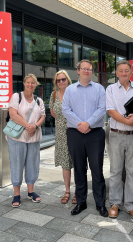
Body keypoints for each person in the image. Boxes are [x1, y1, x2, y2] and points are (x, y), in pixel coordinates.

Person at [62, 59, 108, 217]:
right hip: (75, 134)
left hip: (95, 133)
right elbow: (65, 110)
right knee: (79, 170)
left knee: (97, 170)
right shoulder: (69, 89)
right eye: (84, 69)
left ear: (92, 71)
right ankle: (81, 202)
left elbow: (102, 109)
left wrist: (87, 123)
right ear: (78, 71)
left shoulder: (99, 88)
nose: (87, 71)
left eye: (89, 69)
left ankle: (100, 203)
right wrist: (80, 125)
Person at [106, 60, 133, 219]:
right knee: (115, 171)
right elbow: (111, 111)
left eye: (126, 71)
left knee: (132, 172)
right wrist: (129, 122)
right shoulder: (110, 89)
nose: (124, 73)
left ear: (131, 73)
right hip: (116, 134)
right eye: (120, 71)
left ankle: (131, 205)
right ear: (116, 73)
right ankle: (115, 203)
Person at [7, 74, 46, 207]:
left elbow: (43, 116)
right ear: (24, 83)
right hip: (17, 137)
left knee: (32, 164)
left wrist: (35, 126)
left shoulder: (39, 100)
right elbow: (13, 114)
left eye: (33, 83)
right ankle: (16, 194)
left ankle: (31, 192)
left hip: (33, 137)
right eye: (28, 82)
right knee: (17, 164)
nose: (30, 85)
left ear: (36, 85)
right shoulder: (16, 97)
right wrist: (28, 126)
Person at [49, 70, 76, 204]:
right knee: (65, 164)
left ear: (68, 80)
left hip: (75, 131)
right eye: (58, 80)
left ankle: (78, 191)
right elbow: (53, 112)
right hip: (60, 134)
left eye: (63, 79)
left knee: (77, 162)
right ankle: (67, 190)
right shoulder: (53, 95)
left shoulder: (74, 93)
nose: (61, 82)